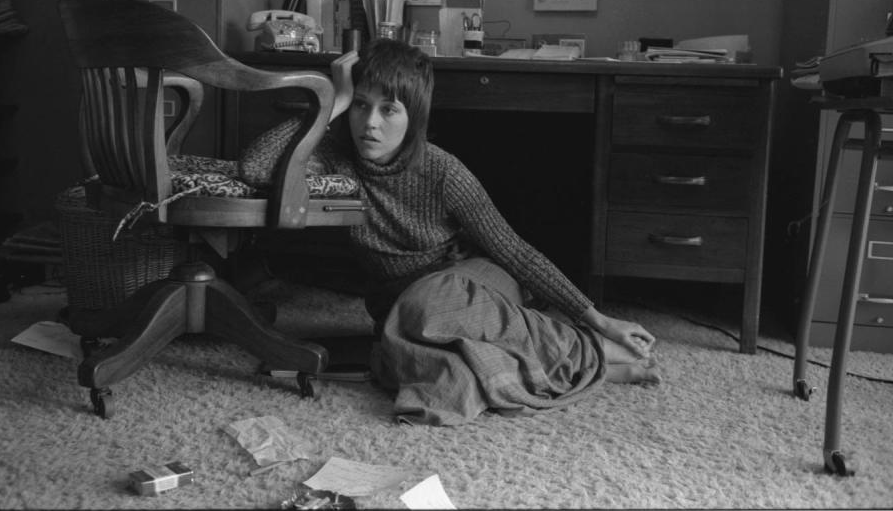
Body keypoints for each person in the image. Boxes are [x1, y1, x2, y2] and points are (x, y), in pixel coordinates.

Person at [239, 39, 659, 425]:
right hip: (401, 308)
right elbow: (254, 168)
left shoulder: (443, 172)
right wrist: (334, 99)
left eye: (389, 109)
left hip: (473, 285)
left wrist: (601, 321)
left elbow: (515, 251)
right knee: (418, 367)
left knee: (428, 305)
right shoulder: (337, 157)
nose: (370, 123)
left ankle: (589, 348)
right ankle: (592, 368)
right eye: (360, 105)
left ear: (414, 116)